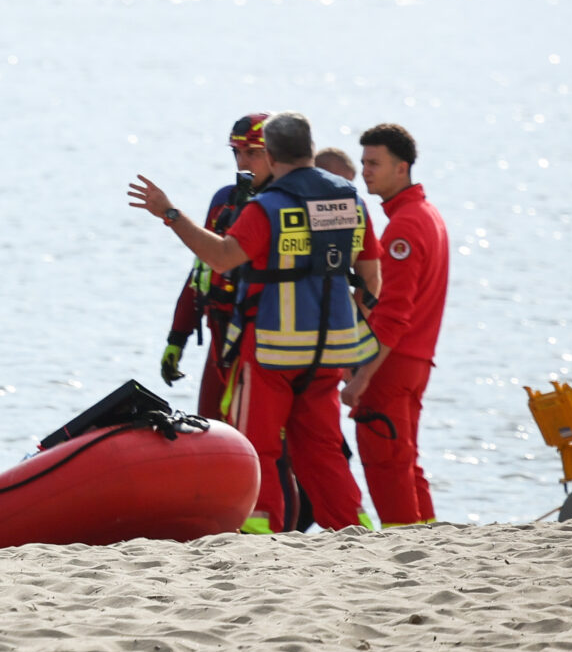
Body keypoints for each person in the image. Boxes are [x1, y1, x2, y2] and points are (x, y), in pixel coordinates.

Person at [130, 110, 381, 532]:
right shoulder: (349, 200)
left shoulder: (268, 206)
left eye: (249, 154)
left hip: (270, 351)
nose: (242, 165)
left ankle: (257, 535)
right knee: (323, 453)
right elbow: (371, 280)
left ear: (275, 154)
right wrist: (347, 334)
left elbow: (221, 258)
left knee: (255, 449)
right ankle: (356, 534)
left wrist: (170, 214)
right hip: (327, 355)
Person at [348, 123, 449, 527]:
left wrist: (361, 376)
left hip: (393, 362)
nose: (365, 171)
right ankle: (427, 537)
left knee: (386, 462)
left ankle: (404, 545)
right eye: (363, 162)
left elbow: (393, 314)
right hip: (416, 360)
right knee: (405, 459)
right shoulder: (427, 214)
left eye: (374, 163)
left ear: (402, 168)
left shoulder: (404, 226)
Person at [160, 114, 271, 420]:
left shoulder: (283, 205)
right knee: (210, 430)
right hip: (220, 341)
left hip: (265, 347)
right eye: (237, 152)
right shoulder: (225, 201)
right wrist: (177, 338)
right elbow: (201, 271)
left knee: (266, 443)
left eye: (253, 153)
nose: (242, 163)